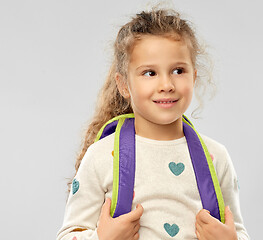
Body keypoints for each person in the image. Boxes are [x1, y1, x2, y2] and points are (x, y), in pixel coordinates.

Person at [57, 6, 250, 240]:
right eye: (150, 73)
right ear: (124, 85)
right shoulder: (101, 157)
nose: (166, 84)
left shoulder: (216, 157)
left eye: (178, 70)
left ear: (194, 77)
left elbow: (238, 231)